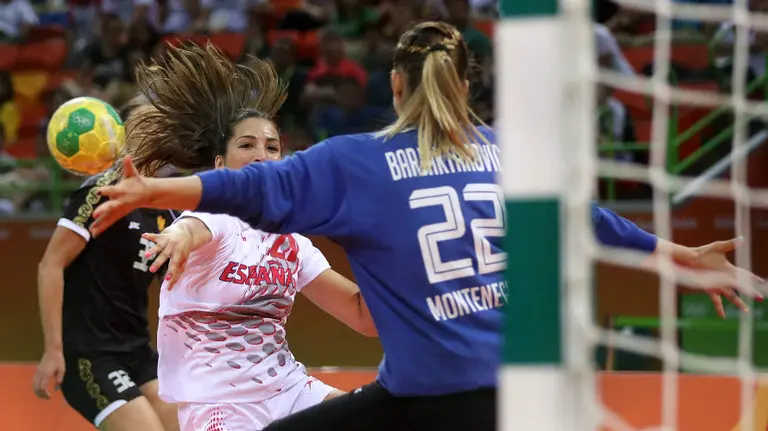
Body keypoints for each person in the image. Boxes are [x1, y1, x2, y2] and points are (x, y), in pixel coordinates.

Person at [88, 22, 763, 431]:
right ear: (466, 86)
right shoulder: (506, 152)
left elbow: (252, 188)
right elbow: (583, 220)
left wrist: (155, 187)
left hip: (433, 398)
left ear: (393, 85)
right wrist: (677, 254)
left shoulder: (362, 161)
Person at [120, 43, 377, 430]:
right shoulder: (217, 215)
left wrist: (388, 258)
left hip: (289, 392)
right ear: (220, 165)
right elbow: (193, 227)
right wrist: (176, 237)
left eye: (271, 147)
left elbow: (362, 316)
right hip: (219, 406)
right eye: (246, 145)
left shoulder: (293, 244)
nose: (261, 154)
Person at [32, 94, 179, 431]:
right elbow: (50, 266)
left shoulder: (167, 208)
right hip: (90, 357)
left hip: (139, 354)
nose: (156, 136)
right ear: (123, 135)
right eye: (144, 126)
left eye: (163, 128)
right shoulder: (100, 192)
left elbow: (182, 285)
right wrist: (53, 350)